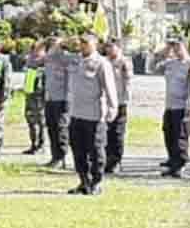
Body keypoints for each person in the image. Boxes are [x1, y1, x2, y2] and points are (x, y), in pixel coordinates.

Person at [66, 33, 119, 196]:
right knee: (78, 150)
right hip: (76, 113)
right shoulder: (75, 60)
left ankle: (96, 182)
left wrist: (112, 108)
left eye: (86, 43)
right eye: (81, 42)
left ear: (95, 45)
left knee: (96, 151)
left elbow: (110, 87)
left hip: (94, 115)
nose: (82, 45)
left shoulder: (101, 63)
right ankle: (84, 181)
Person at [154, 36, 190, 178]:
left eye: (179, 46)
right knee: (169, 134)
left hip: (182, 107)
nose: (176, 49)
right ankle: (172, 162)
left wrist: (188, 107)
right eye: (174, 47)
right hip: (170, 106)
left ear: (185, 47)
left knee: (180, 137)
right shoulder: (170, 63)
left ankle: (179, 165)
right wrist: (165, 50)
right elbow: (152, 68)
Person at [43, 37, 76, 169]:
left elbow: (71, 79)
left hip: (62, 98)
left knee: (61, 128)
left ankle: (61, 157)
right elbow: (33, 60)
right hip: (50, 97)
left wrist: (68, 98)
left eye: (54, 44)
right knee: (51, 128)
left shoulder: (68, 58)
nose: (51, 46)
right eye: (50, 44)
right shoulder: (49, 58)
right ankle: (54, 155)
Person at [103, 39, 132, 175]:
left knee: (117, 133)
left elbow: (128, 81)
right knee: (106, 132)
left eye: (111, 47)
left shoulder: (124, 62)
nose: (108, 50)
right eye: (107, 47)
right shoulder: (105, 61)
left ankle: (116, 161)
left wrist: (125, 100)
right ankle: (107, 159)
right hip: (107, 102)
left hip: (120, 102)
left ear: (118, 48)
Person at [22, 41, 47, 156]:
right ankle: (33, 144)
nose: (34, 53)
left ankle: (41, 145)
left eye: (38, 50)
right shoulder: (29, 64)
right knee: (31, 121)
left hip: (40, 98)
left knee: (41, 122)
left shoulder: (46, 65)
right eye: (33, 50)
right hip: (30, 96)